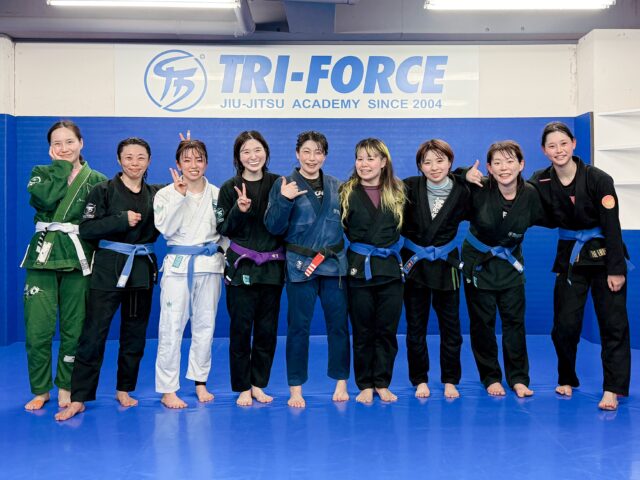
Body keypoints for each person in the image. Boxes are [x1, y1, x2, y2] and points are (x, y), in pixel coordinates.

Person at [55, 137, 162, 421]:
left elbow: (188, 187)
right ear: (119, 160)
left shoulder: (157, 193)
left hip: (141, 269)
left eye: (140, 157)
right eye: (129, 157)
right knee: (93, 334)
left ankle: (124, 389)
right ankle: (79, 397)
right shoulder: (102, 190)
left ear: (149, 161)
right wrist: (120, 219)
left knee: (134, 334)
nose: (134, 163)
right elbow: (87, 228)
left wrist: (187, 150)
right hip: (108, 269)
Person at [529, 121, 631, 411]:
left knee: (613, 324)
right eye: (552, 145)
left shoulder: (598, 179)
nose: (558, 150)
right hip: (570, 258)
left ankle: (612, 388)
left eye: (563, 143)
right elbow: (519, 200)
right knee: (564, 325)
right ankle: (566, 377)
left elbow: (612, 225)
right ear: (544, 150)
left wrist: (616, 269)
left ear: (573, 144)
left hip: (604, 256)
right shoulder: (540, 180)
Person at [22, 120, 107, 411]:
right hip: (42, 257)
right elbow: (45, 200)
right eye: (56, 143)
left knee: (75, 329)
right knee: (37, 330)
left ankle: (66, 386)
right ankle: (40, 389)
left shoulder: (97, 179)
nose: (64, 148)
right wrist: (60, 167)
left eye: (69, 142)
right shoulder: (40, 173)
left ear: (81, 143)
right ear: (49, 148)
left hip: (77, 258)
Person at [264, 130, 350, 408]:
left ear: (325, 155)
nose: (312, 158)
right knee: (298, 328)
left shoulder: (338, 186)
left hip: (334, 265)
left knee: (338, 325)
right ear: (297, 154)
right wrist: (284, 199)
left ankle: (341, 382)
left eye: (318, 152)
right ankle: (296, 388)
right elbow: (273, 227)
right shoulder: (284, 184)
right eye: (306, 152)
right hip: (301, 266)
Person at [463, 140, 546, 398]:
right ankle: (490, 377)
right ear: (488, 168)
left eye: (510, 161)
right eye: (497, 163)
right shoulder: (478, 188)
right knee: (482, 324)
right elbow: (447, 180)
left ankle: (518, 378)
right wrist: (463, 173)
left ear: (521, 165)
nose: (504, 167)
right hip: (479, 264)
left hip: (510, 264)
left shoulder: (531, 194)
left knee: (514, 322)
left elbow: (557, 213)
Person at [154, 138, 228, 409]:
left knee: (205, 326)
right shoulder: (165, 194)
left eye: (199, 159)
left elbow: (226, 233)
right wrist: (180, 196)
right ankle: (168, 389)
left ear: (206, 162)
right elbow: (165, 229)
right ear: (178, 164)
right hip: (178, 267)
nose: (193, 165)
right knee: (171, 326)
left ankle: (200, 381)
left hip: (209, 266)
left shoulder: (219, 194)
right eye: (187, 160)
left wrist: (223, 257)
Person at [218, 131, 285, 407]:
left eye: (258, 150)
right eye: (246, 151)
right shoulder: (229, 187)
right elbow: (223, 228)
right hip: (240, 268)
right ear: (238, 157)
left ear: (266, 152)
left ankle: (258, 384)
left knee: (267, 331)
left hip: (272, 269)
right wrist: (239, 209)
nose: (253, 156)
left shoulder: (279, 184)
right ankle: (242, 387)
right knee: (241, 330)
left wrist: (286, 201)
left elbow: (285, 226)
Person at [402, 139, 469, 399]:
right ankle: (420, 379)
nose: (434, 167)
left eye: (440, 160)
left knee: (451, 326)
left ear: (450, 162)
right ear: (420, 166)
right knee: (415, 325)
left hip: (446, 263)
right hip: (415, 263)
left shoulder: (463, 189)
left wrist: (465, 173)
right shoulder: (408, 186)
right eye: (427, 162)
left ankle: (450, 379)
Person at [340, 138, 406, 403]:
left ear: (383, 162)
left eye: (370, 158)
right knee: (363, 330)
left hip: (389, 270)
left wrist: (463, 173)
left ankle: (382, 382)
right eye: (360, 158)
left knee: (386, 330)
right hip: (359, 269)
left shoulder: (399, 191)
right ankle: (365, 384)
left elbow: (437, 182)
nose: (364, 164)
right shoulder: (345, 192)